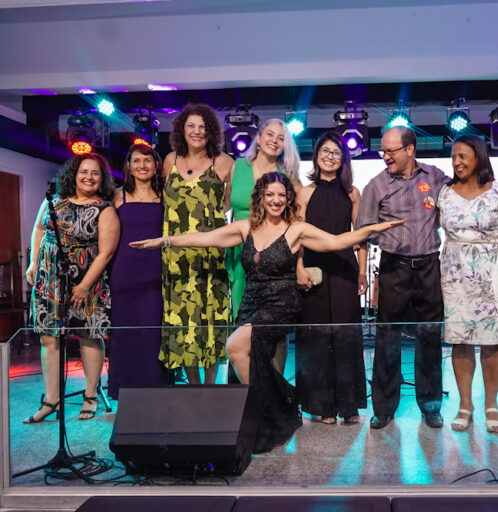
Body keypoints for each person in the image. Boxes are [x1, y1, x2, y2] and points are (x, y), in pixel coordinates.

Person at [131, 172, 400, 452]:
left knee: (235, 347)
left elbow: (336, 241)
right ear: (260, 197)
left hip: (282, 304)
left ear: (288, 200)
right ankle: (281, 401)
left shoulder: (296, 230)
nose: (276, 200)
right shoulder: (245, 227)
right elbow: (205, 238)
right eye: (270, 194)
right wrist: (165, 241)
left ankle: (266, 412)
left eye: (281, 195)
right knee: (248, 357)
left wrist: (374, 229)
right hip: (250, 303)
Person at [357, 126, 498, 430]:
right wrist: (388, 238)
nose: (385, 156)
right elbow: (364, 230)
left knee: (429, 337)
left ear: (409, 150)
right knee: (387, 337)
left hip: (430, 266)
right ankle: (384, 408)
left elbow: (468, 188)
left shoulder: (436, 178)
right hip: (394, 267)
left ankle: (431, 406)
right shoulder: (376, 185)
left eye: (391, 151)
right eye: (383, 151)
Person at [25, 153, 119, 422]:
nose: (89, 177)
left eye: (95, 173)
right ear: (73, 175)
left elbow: (106, 252)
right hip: (49, 277)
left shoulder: (104, 209)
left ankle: (90, 396)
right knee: (48, 336)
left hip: (87, 280)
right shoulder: (53, 201)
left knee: (90, 334)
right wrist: (33, 263)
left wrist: (85, 286)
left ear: (102, 179)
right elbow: (39, 230)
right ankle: (52, 400)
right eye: (84, 172)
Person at [438, 135, 498, 434]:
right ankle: (465, 404)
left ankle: (491, 404)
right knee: (459, 340)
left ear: (479, 158)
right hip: (454, 274)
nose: (457, 162)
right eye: (454, 157)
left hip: (491, 273)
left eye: (463, 156)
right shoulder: (445, 193)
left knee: (491, 341)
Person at [294, 132, 367, 425]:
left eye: (336, 152)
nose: (329, 156)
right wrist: (298, 267)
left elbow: (361, 236)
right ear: (316, 156)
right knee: (316, 335)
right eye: (324, 151)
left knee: (346, 334)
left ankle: (348, 405)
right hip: (313, 267)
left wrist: (362, 271)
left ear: (343, 159)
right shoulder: (305, 193)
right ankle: (322, 405)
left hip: (345, 267)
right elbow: (297, 236)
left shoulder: (353, 193)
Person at [162, 103, 234, 385]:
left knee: (210, 318)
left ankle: (210, 388)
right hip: (177, 257)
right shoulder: (170, 160)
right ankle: (193, 388)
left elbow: (227, 205)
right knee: (183, 320)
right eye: (191, 126)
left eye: (203, 126)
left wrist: (210, 222)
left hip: (210, 254)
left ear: (211, 131)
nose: (197, 131)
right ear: (181, 130)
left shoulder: (225, 163)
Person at [108, 143, 168, 399]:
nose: (142, 165)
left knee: (153, 331)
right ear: (129, 166)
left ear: (156, 165)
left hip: (156, 272)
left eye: (148, 160)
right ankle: (124, 388)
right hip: (124, 272)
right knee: (125, 332)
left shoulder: (166, 196)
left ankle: (155, 388)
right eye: (137, 161)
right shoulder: (116, 195)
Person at [228, 119, 301, 322]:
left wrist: (299, 263)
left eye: (281, 138)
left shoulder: (289, 176)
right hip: (239, 247)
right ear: (259, 138)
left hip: (272, 252)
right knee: (241, 314)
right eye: (270, 134)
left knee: (271, 318)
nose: (274, 140)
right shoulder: (237, 166)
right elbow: (224, 205)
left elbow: (298, 219)